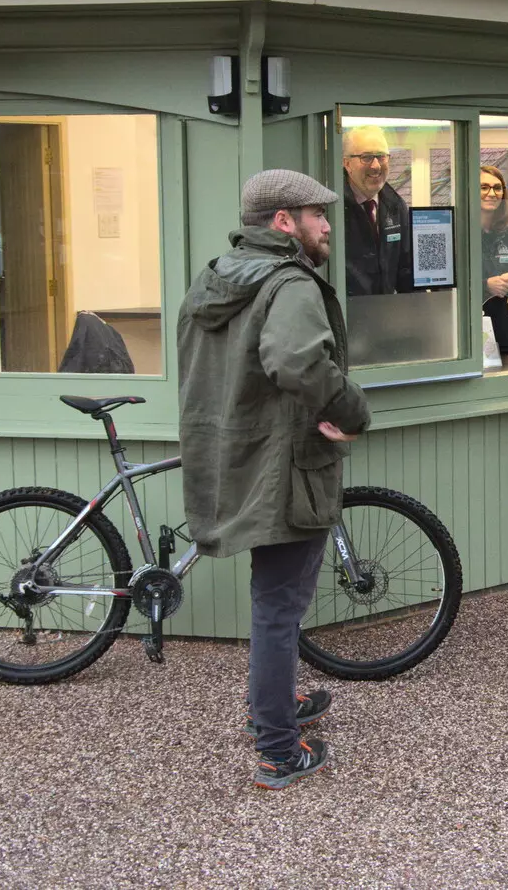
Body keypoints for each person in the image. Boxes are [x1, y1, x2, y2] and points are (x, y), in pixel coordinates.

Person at [177, 169, 371, 790]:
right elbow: (294, 360)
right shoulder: (288, 282)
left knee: (273, 600)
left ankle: (275, 707)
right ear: (284, 221)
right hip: (285, 464)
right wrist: (349, 410)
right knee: (279, 607)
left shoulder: (215, 278)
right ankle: (279, 748)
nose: (326, 227)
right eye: (317, 215)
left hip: (233, 456)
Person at [342, 125, 414, 296]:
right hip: (344, 315)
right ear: (347, 163)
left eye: (381, 157)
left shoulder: (396, 206)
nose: (375, 166)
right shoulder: (331, 208)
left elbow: (405, 270)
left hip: (384, 314)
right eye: (366, 157)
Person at [479, 165, 508, 370]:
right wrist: (485, 285)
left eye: (497, 188)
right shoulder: (458, 232)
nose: (492, 193)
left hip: (503, 333)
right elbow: (446, 286)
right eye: (484, 187)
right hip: (469, 333)